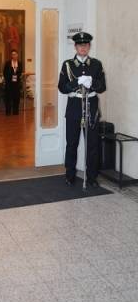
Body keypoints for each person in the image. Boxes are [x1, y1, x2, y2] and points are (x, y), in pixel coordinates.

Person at [58, 31, 106, 187]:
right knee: (71, 143)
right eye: (80, 45)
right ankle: (70, 175)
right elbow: (62, 88)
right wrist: (77, 82)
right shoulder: (67, 64)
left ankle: (92, 177)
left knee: (92, 144)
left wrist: (90, 83)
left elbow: (102, 87)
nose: (83, 48)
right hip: (74, 107)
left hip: (91, 106)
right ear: (75, 47)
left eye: (86, 45)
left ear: (89, 46)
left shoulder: (96, 64)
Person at [3, 49, 23, 115]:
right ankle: (8, 112)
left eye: (15, 54)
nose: (14, 55)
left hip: (16, 84)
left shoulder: (19, 63)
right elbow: (5, 73)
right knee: (8, 98)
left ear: (17, 55)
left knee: (16, 98)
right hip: (9, 84)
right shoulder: (8, 63)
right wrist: (9, 79)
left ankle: (15, 112)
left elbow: (20, 73)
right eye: (12, 54)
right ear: (11, 55)